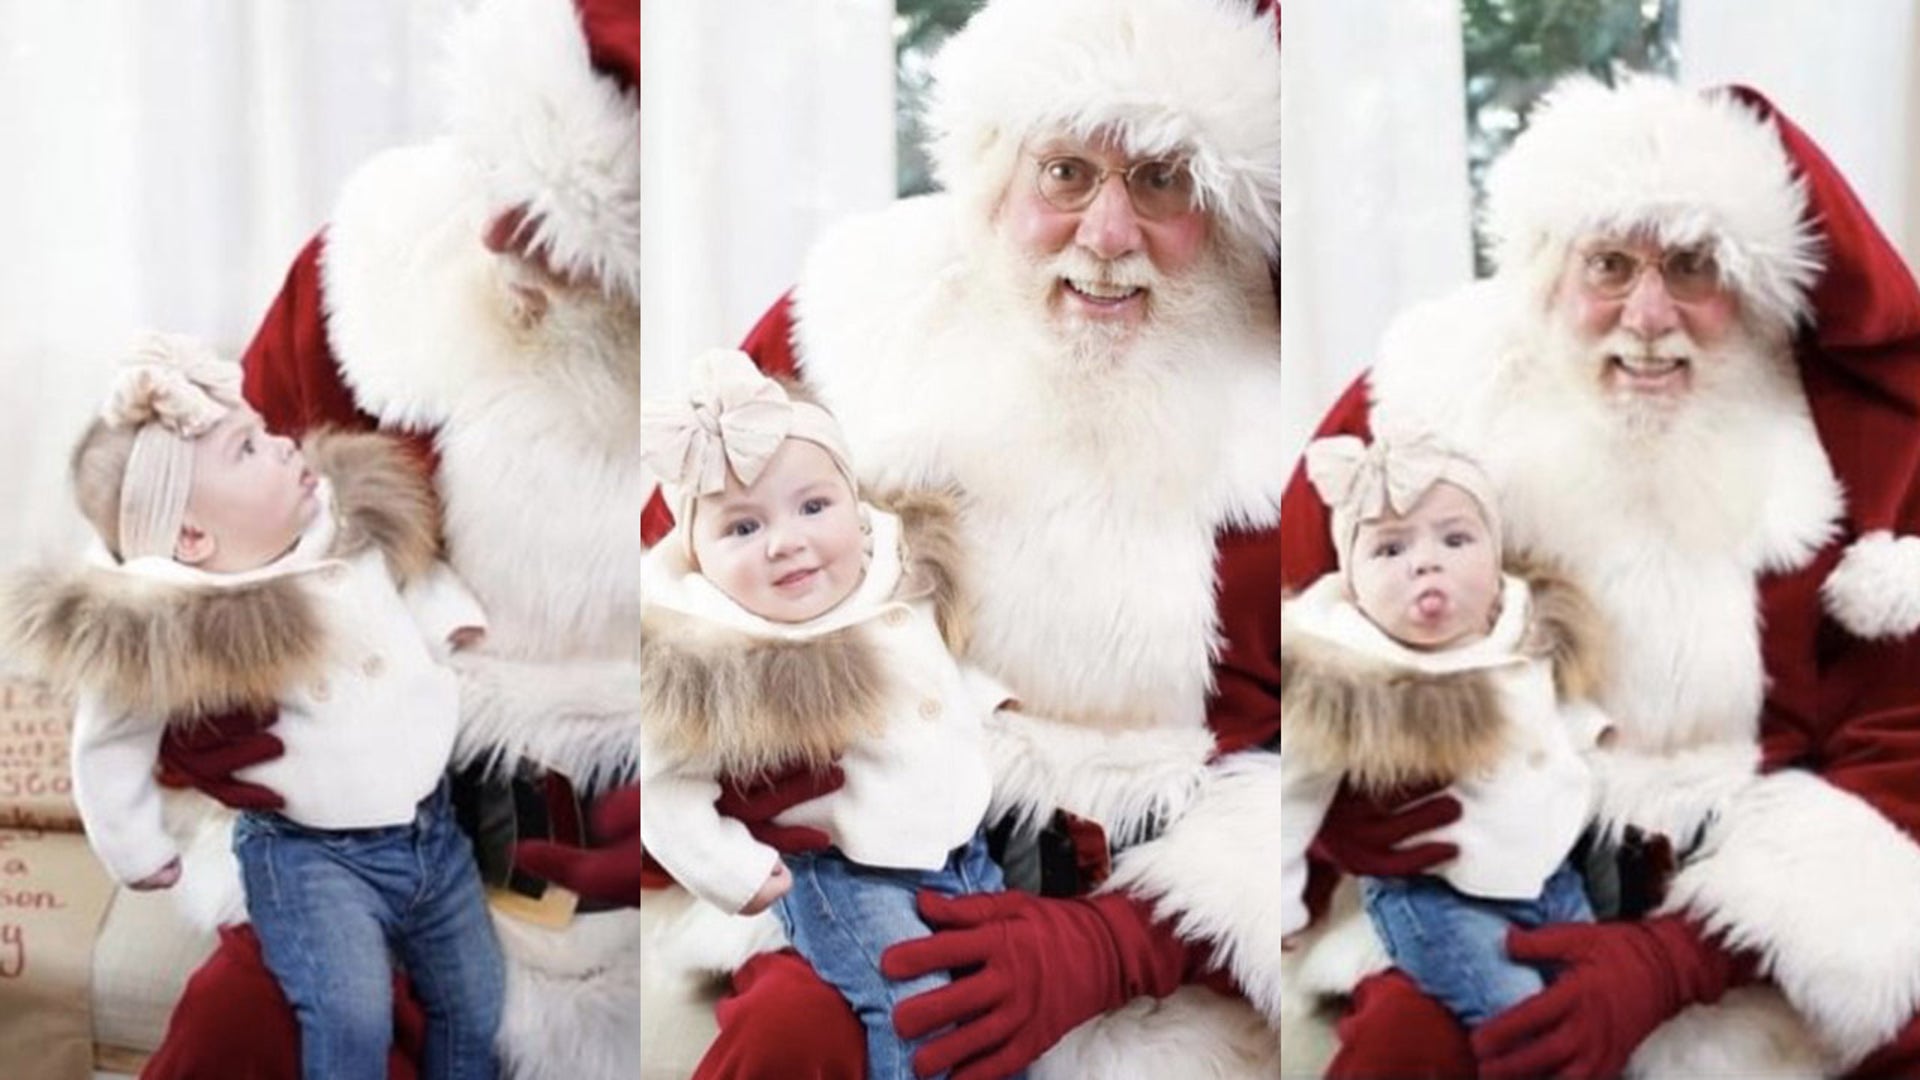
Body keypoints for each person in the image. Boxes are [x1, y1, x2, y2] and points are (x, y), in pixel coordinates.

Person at [639, 0, 1288, 1076]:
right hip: (877, 879)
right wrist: (760, 743)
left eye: (1163, 179)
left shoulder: (1290, 390)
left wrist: (1123, 942)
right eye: (1066, 172)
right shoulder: (862, 316)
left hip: (1165, 936)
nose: (1109, 236)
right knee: (792, 1039)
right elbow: (683, 569)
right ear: (994, 171)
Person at [1281, 74, 1920, 1078]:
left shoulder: (1846, 439)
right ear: (1548, 272)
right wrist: (1342, 796)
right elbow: (1278, 638)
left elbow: (1905, 737)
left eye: (1693, 266)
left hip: (1754, 902)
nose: (1650, 313)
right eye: (1610, 265)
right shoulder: (1429, 395)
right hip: (1498, 877)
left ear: (1753, 282)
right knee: (1402, 1052)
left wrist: (1677, 959)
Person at [132, 2, 646, 1078]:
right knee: (243, 1030)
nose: (499, 236)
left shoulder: (767, 359)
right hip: (369, 850)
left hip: (653, 916)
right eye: (499, 171)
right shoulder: (372, 271)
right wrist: (201, 680)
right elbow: (197, 547)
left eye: (566, 223)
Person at [7, 336, 503, 1079]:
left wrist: (448, 618)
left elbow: (405, 577)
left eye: (264, 429)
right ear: (194, 537)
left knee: (476, 1001)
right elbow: (109, 741)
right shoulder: (173, 625)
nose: (280, 445)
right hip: (311, 857)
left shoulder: (339, 524)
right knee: (347, 1013)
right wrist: (136, 847)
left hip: (434, 832)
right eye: (247, 450)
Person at [640, 349, 1022, 1079]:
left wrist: (986, 698)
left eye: (814, 507)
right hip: (845, 873)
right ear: (696, 551)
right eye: (742, 529)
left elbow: (930, 668)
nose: (787, 542)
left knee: (993, 1013)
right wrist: (730, 868)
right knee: (916, 1016)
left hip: (963, 851)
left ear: (854, 501)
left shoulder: (892, 573)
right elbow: (664, 782)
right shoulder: (712, 647)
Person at [1280, 434, 1609, 1028]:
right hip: (1437, 900)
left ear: (1495, 556)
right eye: (1388, 549)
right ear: (1351, 582)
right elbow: (1291, 794)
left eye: (1456, 540)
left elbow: (1549, 708)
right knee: (1521, 1019)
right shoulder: (1349, 672)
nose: (1426, 562)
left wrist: (1593, 738)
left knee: (1596, 1003)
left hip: (1552, 877)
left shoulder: (1517, 623)